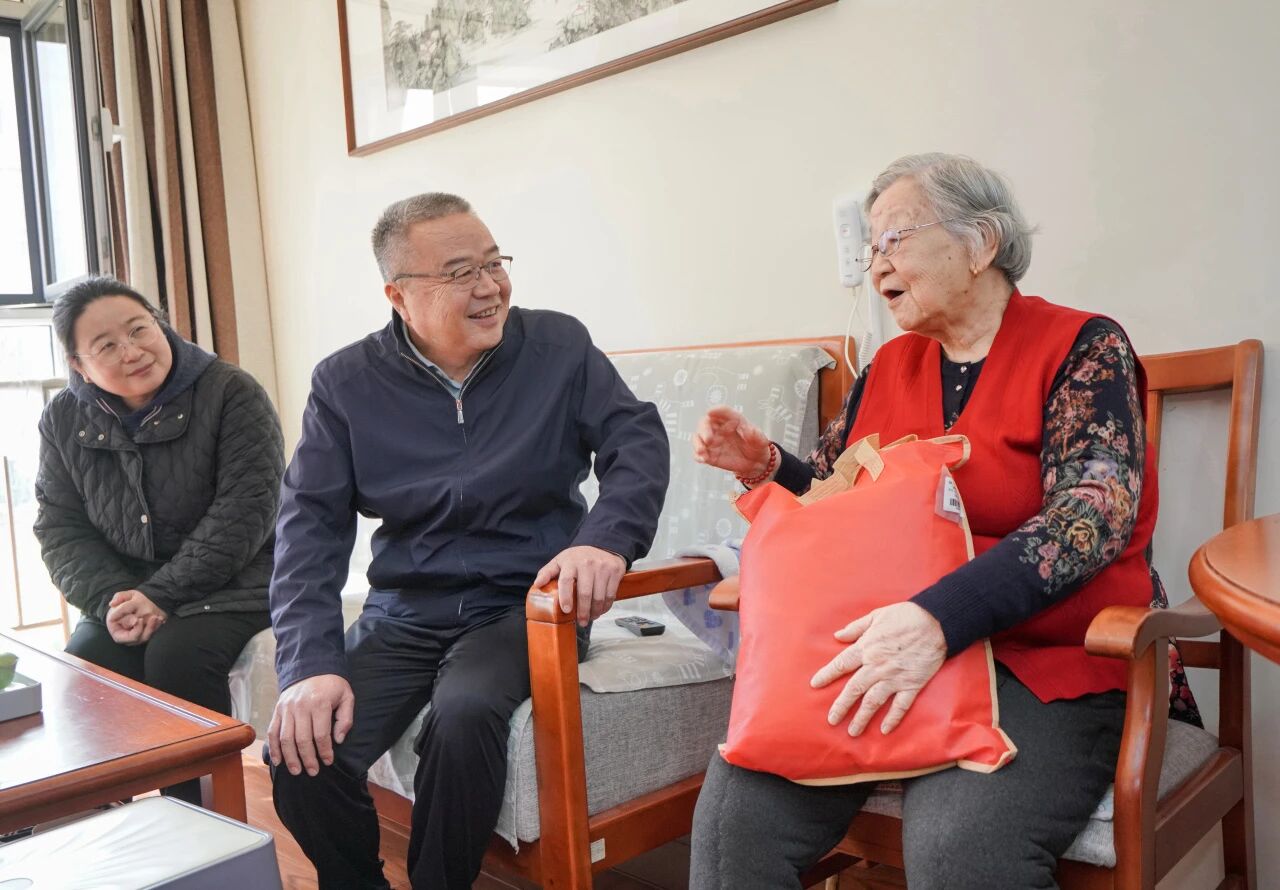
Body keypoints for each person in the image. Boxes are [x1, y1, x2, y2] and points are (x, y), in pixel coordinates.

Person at [688, 153, 1195, 889]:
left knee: (960, 847)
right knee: (735, 824)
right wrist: (767, 465)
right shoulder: (887, 368)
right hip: (889, 647)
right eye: (871, 247)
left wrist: (937, 618)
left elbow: (1090, 517)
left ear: (981, 242)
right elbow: (835, 499)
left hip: (1045, 660)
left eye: (893, 239)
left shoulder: (1085, 347)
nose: (875, 264)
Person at [266, 192, 669, 890]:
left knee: (466, 714)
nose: (489, 287)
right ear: (399, 296)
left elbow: (636, 442)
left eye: (494, 263)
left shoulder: (558, 347)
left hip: (527, 605)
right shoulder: (345, 384)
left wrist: (605, 540)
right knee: (302, 753)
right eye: (460, 273)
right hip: (406, 610)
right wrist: (309, 665)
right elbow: (308, 531)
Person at [35, 276, 283, 804]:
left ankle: (201, 822)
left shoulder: (231, 392)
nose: (132, 351)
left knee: (178, 657)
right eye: (106, 346)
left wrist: (161, 595)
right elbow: (60, 527)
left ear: (160, 324)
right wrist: (114, 601)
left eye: (139, 329)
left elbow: (246, 512)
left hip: (237, 578)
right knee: (88, 664)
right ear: (79, 365)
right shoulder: (62, 418)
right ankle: (103, 820)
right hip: (129, 587)